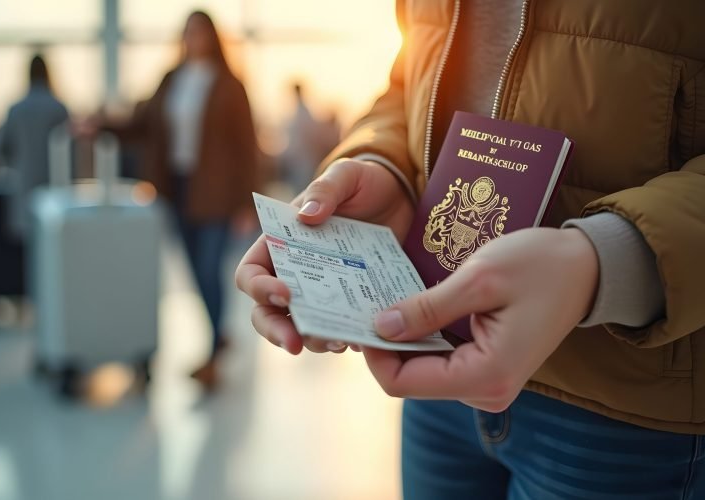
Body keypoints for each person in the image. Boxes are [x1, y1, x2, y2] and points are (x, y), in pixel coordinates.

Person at [236, 1, 705, 498]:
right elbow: (406, 80)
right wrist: (383, 164)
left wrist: (606, 261)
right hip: (438, 372)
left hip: (626, 409)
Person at [108, 11, 258, 390]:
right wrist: (100, 125)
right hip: (179, 189)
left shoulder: (229, 85)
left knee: (210, 268)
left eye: (200, 31)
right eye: (189, 32)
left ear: (213, 37)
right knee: (194, 270)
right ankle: (218, 335)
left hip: (218, 193)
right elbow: (143, 125)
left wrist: (246, 203)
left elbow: (246, 147)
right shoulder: (172, 80)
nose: (194, 38)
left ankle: (213, 348)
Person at [0, 54, 69, 240]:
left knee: (27, 246)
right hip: (53, 185)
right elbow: (68, 150)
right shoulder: (58, 108)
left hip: (23, 183)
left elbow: (0, 148)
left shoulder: (16, 109)